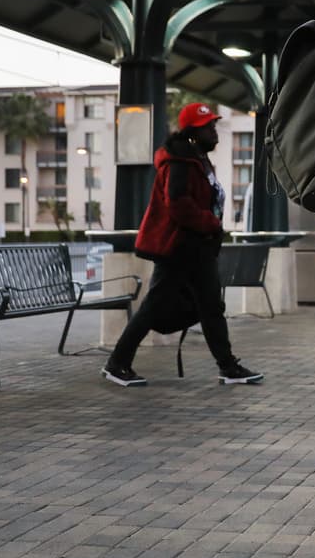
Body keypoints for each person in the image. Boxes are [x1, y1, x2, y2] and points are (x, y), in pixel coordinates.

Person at [102, 103, 263, 387]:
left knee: (211, 306)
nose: (215, 131)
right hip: (178, 248)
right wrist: (210, 223)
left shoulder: (197, 158)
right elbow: (177, 204)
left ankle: (228, 366)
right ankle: (117, 363)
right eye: (209, 127)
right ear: (192, 132)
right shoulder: (179, 161)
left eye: (214, 125)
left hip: (197, 248)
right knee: (154, 306)